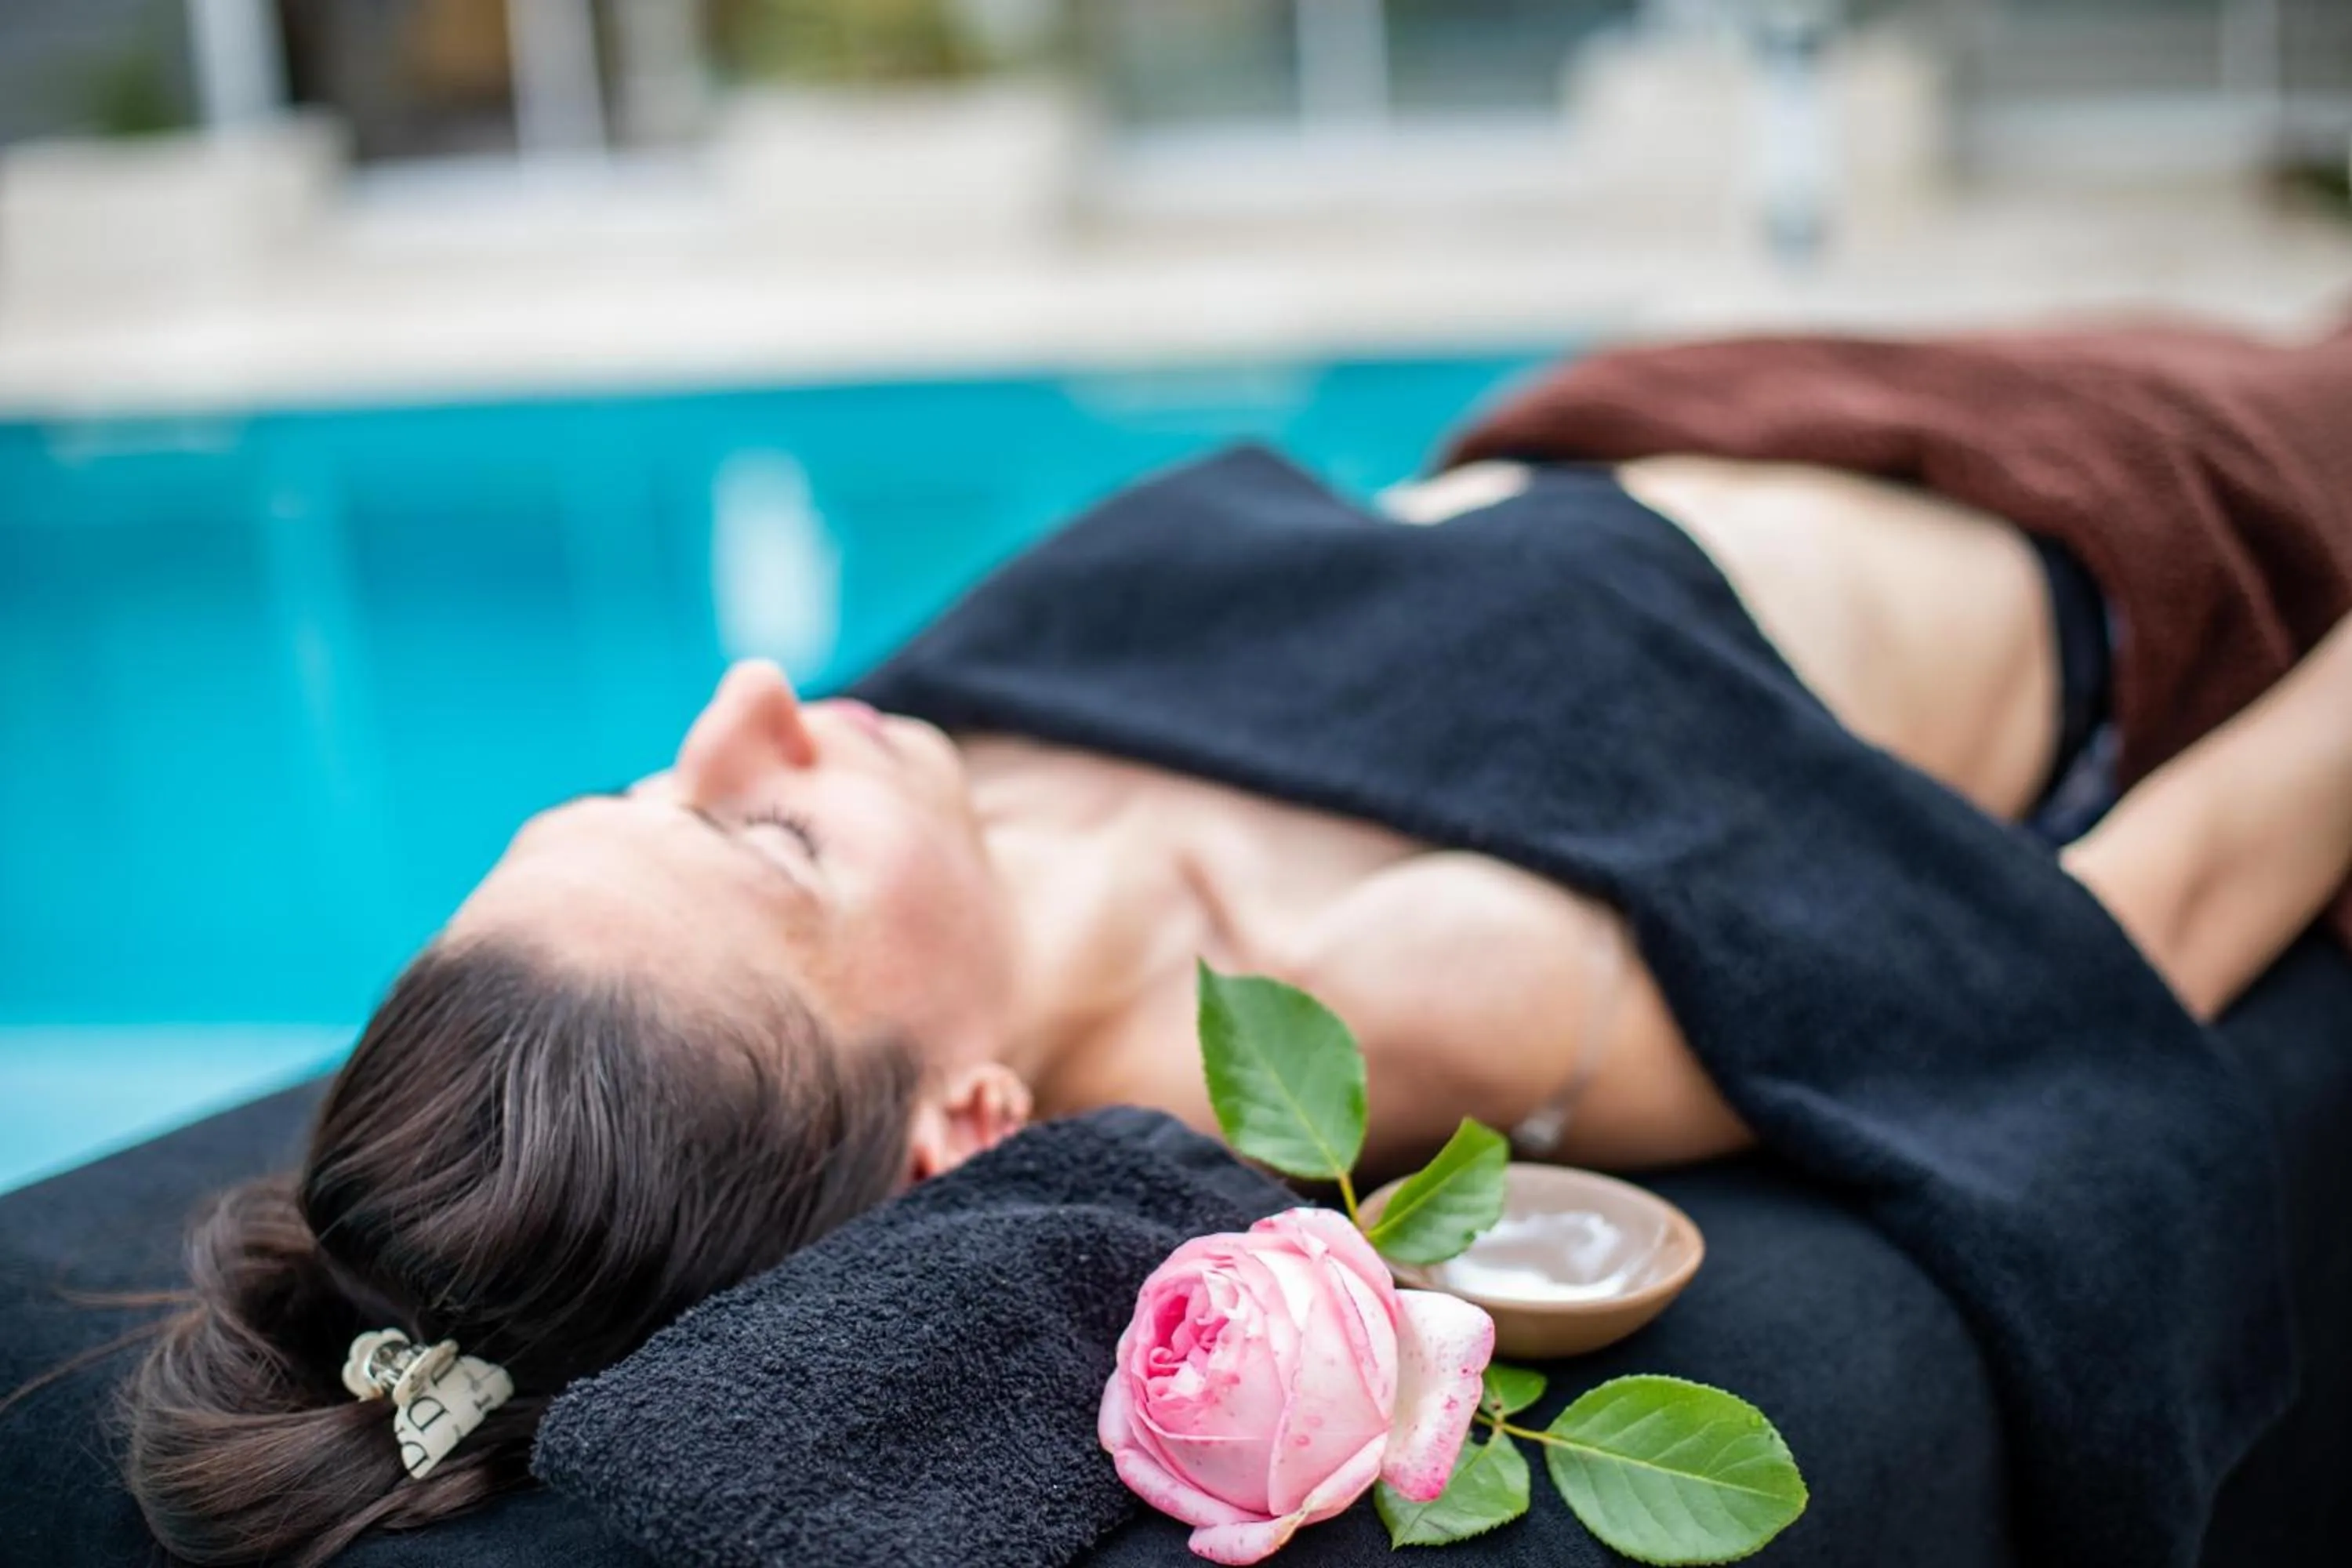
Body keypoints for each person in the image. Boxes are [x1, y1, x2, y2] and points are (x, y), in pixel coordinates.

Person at [121, 446, 2352, 1567]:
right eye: (760, 840)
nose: (754, 704)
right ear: (966, 1124)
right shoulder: (1418, 986)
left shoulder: (945, 797)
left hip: (1758, 405)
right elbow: (2095, 953)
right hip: (2170, 529)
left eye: (636, 785)